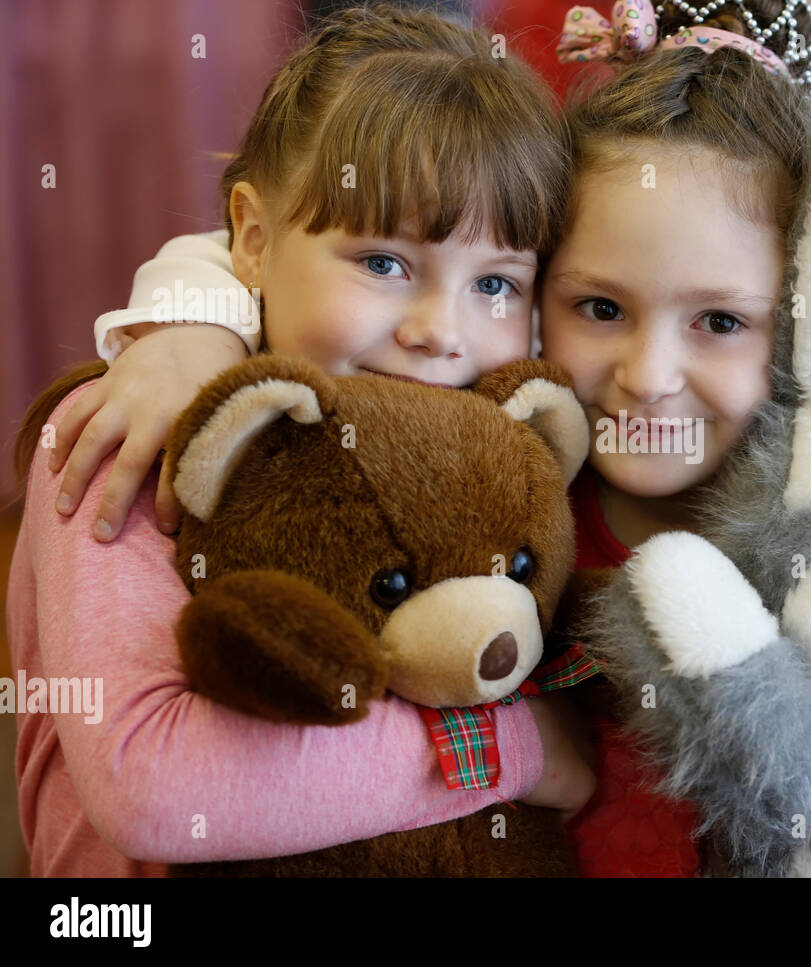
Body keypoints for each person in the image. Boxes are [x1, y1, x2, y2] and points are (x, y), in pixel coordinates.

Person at [46, 0, 811, 877]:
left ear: (805, 323)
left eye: (720, 321)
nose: (648, 372)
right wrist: (185, 321)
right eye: (598, 307)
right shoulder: (500, 453)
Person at [8, 3, 596, 877]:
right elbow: (153, 787)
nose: (443, 330)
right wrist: (520, 748)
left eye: (496, 283)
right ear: (249, 238)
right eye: (383, 263)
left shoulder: (492, 452)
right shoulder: (129, 427)